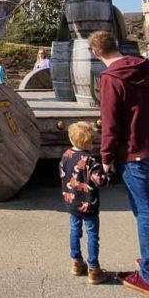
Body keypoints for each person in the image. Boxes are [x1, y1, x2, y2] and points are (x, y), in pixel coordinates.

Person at [91, 30, 149, 298]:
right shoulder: (147, 66)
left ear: (95, 53)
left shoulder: (110, 78)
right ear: (116, 45)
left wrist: (105, 158)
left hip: (134, 153)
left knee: (145, 211)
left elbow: (111, 123)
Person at [59, 121, 109, 285]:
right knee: (92, 235)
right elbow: (100, 181)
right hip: (89, 204)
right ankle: (94, 269)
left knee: (74, 230)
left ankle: (76, 262)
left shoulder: (66, 155)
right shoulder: (90, 161)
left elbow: (63, 174)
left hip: (72, 203)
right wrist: (108, 174)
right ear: (90, 141)